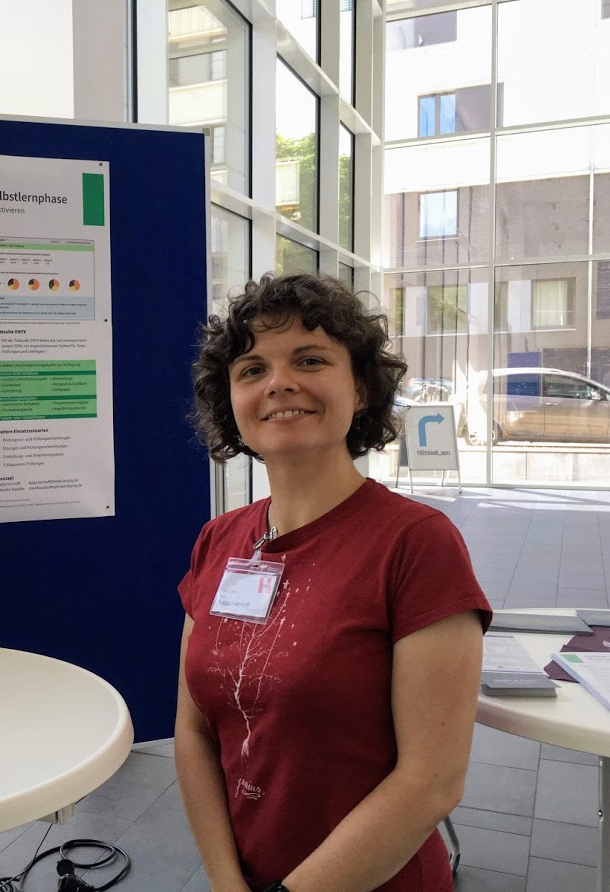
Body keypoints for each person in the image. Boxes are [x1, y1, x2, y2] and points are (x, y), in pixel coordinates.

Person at [176, 273, 491, 892]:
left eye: (310, 359)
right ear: (230, 403)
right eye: (251, 369)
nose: (279, 383)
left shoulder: (415, 545)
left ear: (362, 388)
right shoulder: (218, 540)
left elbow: (432, 780)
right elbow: (193, 732)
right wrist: (223, 880)